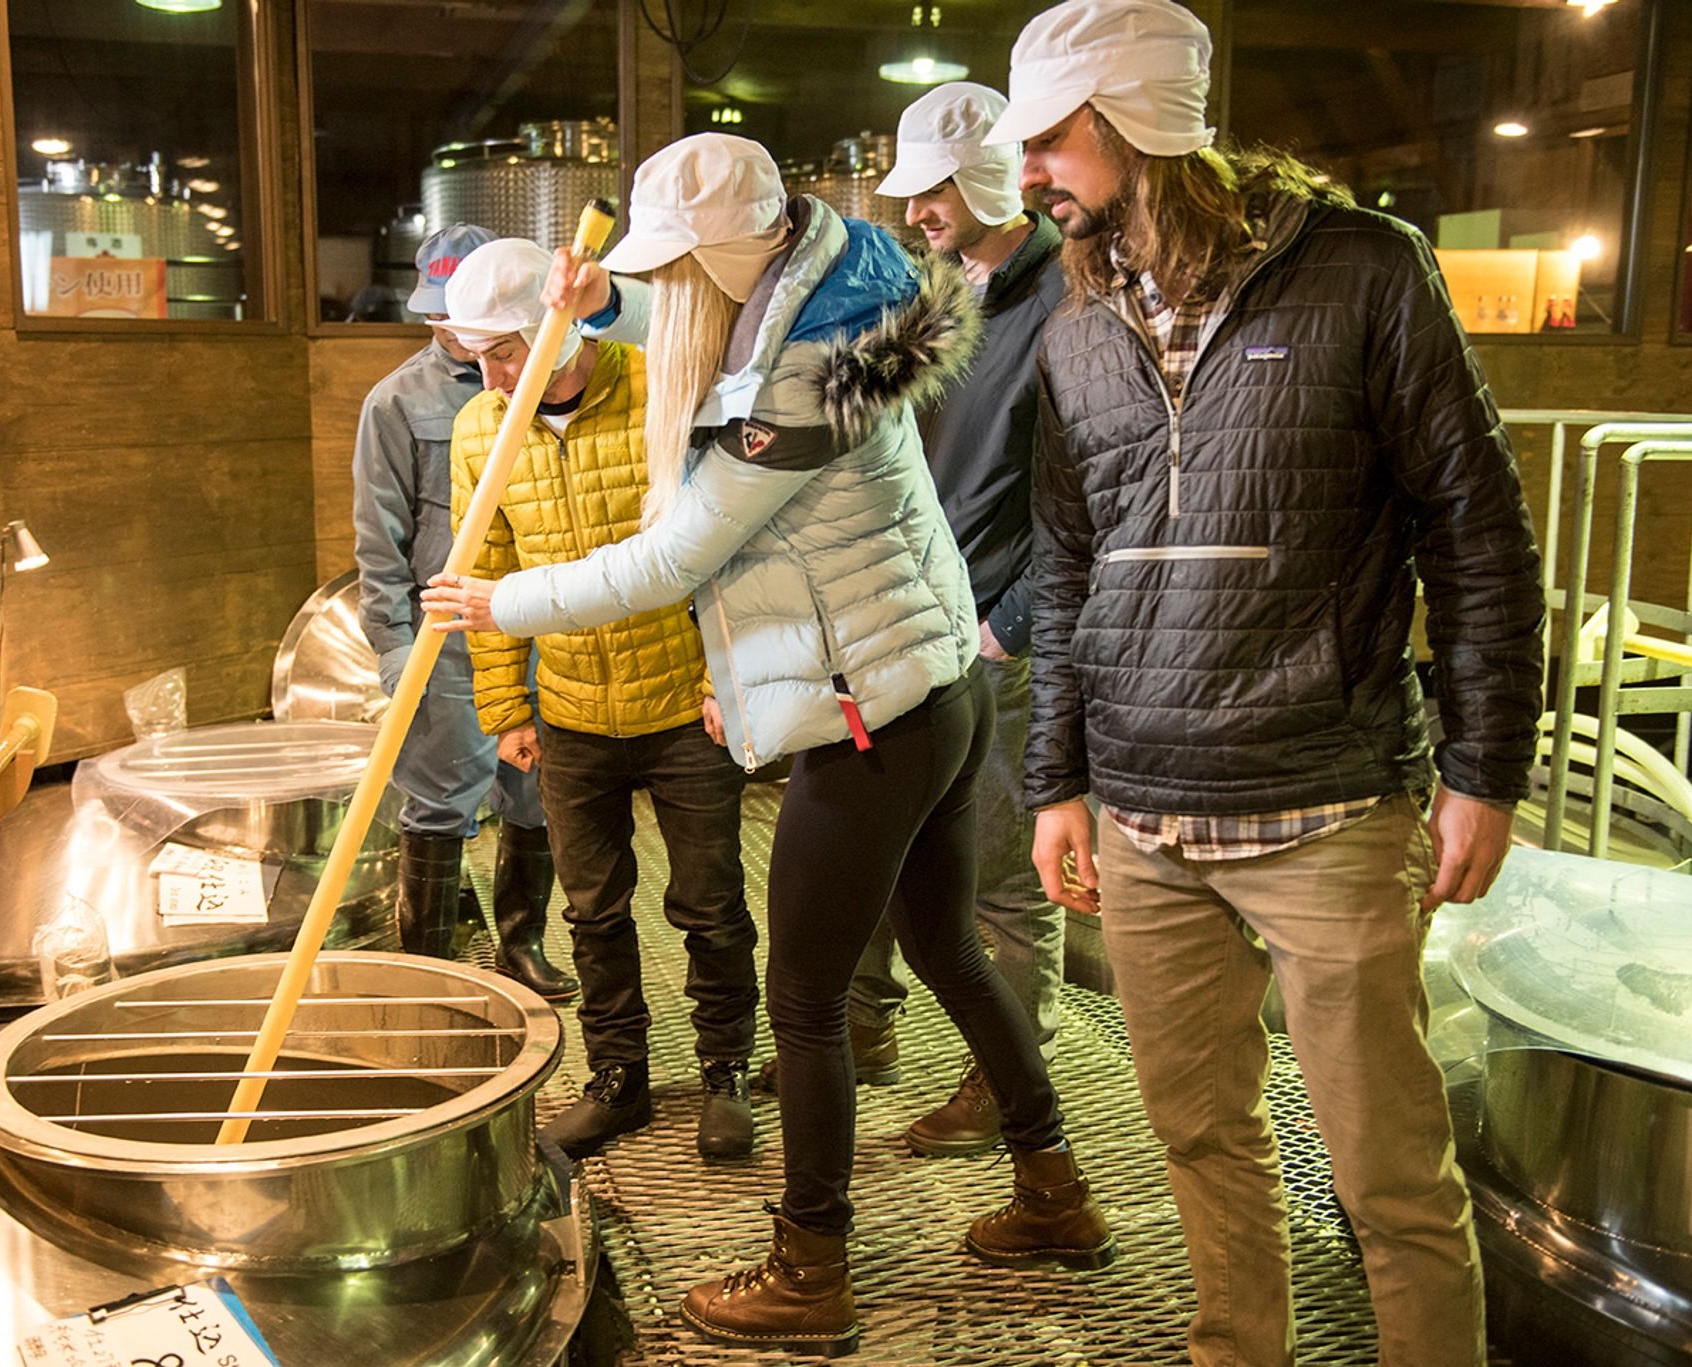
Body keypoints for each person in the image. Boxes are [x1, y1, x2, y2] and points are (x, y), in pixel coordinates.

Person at [425, 133, 1118, 1358]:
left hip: (869, 720)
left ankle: (811, 1264)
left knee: (797, 999)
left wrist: (500, 603)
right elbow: (710, 324)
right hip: (930, 685)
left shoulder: (797, 388)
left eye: (673, 266)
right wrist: (612, 301)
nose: (670, 288)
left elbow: (672, 558)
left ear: (729, 250)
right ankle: (1053, 1186)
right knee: (948, 946)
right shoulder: (833, 283)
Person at [997, 3, 1545, 1365]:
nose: (1027, 176)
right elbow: (1068, 567)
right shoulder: (1076, 326)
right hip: (1141, 810)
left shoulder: (1365, 271)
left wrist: (1487, 765)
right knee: (1195, 1134)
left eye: (1051, 138)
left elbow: (1474, 529)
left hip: (1328, 799)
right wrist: (1057, 779)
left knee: (1391, 1177)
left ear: (1138, 122)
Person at [756, 79, 1073, 1160]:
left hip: (986, 628)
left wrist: (1011, 621)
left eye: (934, 187)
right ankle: (859, 1026)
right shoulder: (931, 292)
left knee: (993, 886)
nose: (917, 208)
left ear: (986, 177)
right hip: (895, 611)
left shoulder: (1062, 300)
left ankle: (1000, 1084)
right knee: (882, 852)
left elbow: (1084, 491)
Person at [438, 238, 760, 1164]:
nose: (497, 375)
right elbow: (483, 571)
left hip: (682, 700)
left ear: (569, 322)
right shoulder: (481, 429)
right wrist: (505, 704)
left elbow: (729, 546)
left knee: (710, 902)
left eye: (509, 349)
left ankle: (724, 1070)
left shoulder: (663, 384)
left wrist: (721, 681)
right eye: (481, 357)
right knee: (593, 908)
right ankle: (618, 1076)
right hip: (572, 707)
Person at [351, 223, 575, 1000]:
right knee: (439, 799)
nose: (454, 331)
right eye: (442, 314)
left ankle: (522, 945)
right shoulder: (395, 403)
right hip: (443, 637)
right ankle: (430, 968)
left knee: (535, 789)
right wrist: (391, 653)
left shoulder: (549, 385)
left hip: (533, 619)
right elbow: (378, 544)